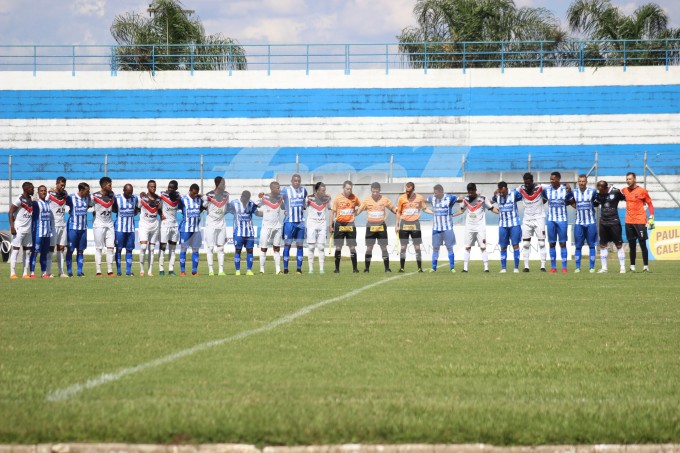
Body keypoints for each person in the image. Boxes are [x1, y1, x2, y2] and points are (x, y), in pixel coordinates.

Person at [356, 182, 397, 273]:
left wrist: (399, 210)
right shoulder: (367, 200)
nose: (375, 193)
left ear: (379, 190)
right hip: (370, 226)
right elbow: (359, 210)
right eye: (373, 191)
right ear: (371, 190)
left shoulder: (385, 199)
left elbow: (393, 209)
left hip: (381, 226)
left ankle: (387, 268)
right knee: (369, 247)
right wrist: (352, 212)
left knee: (384, 247)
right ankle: (366, 269)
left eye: (376, 192)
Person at [455, 183, 494, 273]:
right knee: (467, 247)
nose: (470, 193)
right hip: (469, 227)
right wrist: (453, 215)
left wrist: (500, 212)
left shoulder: (483, 199)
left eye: (472, 191)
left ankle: (486, 268)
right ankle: (465, 268)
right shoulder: (465, 199)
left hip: (480, 227)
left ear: (475, 190)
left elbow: (491, 208)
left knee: (483, 247)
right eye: (469, 192)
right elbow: (461, 210)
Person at [621, 172, 655, 272]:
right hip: (629, 221)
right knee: (631, 245)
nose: (628, 181)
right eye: (627, 179)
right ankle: (632, 266)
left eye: (630, 179)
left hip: (640, 221)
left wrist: (651, 216)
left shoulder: (642, 191)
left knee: (642, 243)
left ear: (635, 179)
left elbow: (650, 204)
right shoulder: (624, 190)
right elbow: (615, 194)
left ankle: (645, 266)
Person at [542, 171, 574, 273]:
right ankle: (553, 267)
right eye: (550, 179)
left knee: (563, 243)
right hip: (551, 219)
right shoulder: (546, 190)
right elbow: (543, 201)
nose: (551, 181)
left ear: (558, 179)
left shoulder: (566, 189)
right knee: (552, 243)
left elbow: (572, 202)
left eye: (553, 179)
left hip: (562, 219)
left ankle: (564, 267)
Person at [594, 180, 627, 273]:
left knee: (618, 245)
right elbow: (595, 204)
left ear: (605, 187)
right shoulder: (599, 194)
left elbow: (625, 198)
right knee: (603, 245)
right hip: (603, 222)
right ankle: (604, 268)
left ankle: (622, 267)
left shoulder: (616, 192)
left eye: (601, 189)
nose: (600, 191)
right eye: (598, 189)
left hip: (614, 222)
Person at [518, 172, 547, 272]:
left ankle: (543, 266)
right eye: (525, 183)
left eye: (529, 183)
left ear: (532, 182)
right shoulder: (521, 188)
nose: (527, 185)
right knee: (525, 244)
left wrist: (566, 185)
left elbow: (553, 187)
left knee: (542, 243)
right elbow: (510, 192)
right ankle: (526, 266)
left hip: (539, 218)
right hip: (527, 219)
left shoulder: (540, 187)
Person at [395, 182, 427, 272]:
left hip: (415, 224)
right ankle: (402, 267)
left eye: (409, 191)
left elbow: (425, 208)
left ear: (413, 189)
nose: (407, 192)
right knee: (403, 247)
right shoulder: (401, 198)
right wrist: (396, 225)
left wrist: (434, 213)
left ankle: (420, 268)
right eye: (406, 190)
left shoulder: (419, 198)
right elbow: (398, 212)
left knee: (417, 247)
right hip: (404, 224)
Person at [492, 182, 522, 273]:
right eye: (500, 191)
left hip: (514, 224)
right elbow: (492, 201)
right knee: (503, 246)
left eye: (503, 191)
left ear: (506, 188)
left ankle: (516, 268)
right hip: (502, 225)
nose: (501, 193)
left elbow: (521, 196)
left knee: (515, 245)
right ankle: (503, 268)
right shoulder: (497, 195)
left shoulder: (514, 194)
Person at [330, 180, 361, 273]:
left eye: (350, 189)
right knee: (338, 247)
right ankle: (337, 269)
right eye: (347, 189)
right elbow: (332, 212)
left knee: (352, 247)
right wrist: (331, 225)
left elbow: (362, 206)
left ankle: (355, 269)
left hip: (350, 225)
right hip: (339, 224)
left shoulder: (354, 198)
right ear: (343, 188)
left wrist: (355, 213)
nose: (349, 190)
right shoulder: (338, 198)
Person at [281, 174, 308, 274]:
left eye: (298, 181)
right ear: (291, 181)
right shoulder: (285, 190)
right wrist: (284, 208)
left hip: (300, 222)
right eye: (295, 181)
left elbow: (304, 204)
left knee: (300, 245)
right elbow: (278, 198)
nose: (297, 182)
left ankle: (299, 269)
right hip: (289, 222)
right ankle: (286, 269)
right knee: (287, 244)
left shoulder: (304, 190)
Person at [426, 184, 456, 272]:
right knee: (435, 248)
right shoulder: (432, 198)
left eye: (436, 193)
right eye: (434, 193)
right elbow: (424, 199)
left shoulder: (449, 198)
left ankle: (452, 268)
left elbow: (460, 198)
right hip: (436, 228)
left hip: (447, 228)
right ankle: (433, 268)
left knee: (449, 247)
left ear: (441, 192)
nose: (434, 195)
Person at [571, 175, 598, 273]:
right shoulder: (574, 192)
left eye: (583, 181)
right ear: (578, 182)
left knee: (591, 245)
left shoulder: (592, 192)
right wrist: (577, 207)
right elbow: (571, 201)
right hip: (579, 223)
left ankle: (592, 267)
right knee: (578, 246)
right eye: (580, 181)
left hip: (590, 222)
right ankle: (578, 267)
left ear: (586, 182)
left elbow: (597, 202)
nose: (581, 183)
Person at [203, 176, 229, 276]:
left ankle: (221, 270)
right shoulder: (209, 195)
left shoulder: (226, 195)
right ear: (218, 184)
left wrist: (220, 214)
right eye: (223, 183)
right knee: (210, 247)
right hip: (211, 224)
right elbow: (203, 206)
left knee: (221, 247)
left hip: (222, 223)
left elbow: (226, 208)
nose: (224, 185)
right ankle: (211, 270)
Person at [8, 182, 35, 279]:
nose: (33, 190)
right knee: (15, 250)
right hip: (18, 229)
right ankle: (12, 273)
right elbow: (11, 211)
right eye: (31, 188)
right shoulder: (19, 199)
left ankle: (25, 273)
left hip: (28, 229)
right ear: (26, 189)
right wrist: (12, 226)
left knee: (27, 251)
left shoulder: (31, 199)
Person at [256, 181, 284, 274]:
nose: (279, 189)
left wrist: (286, 210)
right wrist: (259, 197)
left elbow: (284, 207)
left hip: (277, 227)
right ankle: (261, 270)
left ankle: (278, 270)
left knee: (276, 248)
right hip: (266, 227)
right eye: (278, 188)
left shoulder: (280, 198)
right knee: (264, 248)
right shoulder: (264, 197)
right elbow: (256, 204)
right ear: (272, 188)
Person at [65, 182, 91, 277]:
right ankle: (69, 271)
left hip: (83, 228)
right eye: (87, 191)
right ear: (81, 190)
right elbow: (60, 198)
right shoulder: (71, 197)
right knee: (70, 250)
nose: (89, 193)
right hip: (73, 228)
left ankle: (80, 271)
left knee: (81, 250)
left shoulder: (88, 198)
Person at [229, 190, 258, 276]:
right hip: (238, 232)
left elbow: (257, 212)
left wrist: (267, 214)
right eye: (244, 199)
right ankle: (237, 270)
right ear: (241, 197)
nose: (246, 201)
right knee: (238, 250)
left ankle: (249, 270)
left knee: (250, 250)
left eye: (247, 199)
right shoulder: (234, 203)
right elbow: (226, 210)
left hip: (249, 232)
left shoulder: (251, 203)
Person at [92, 176, 116, 277]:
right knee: (99, 248)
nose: (111, 186)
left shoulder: (112, 195)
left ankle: (110, 271)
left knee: (110, 248)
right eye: (109, 185)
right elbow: (87, 204)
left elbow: (114, 207)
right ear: (103, 185)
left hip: (109, 224)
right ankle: (98, 271)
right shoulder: (95, 196)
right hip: (99, 225)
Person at [305, 182, 331, 274]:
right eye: (322, 190)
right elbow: (303, 207)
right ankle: (311, 269)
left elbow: (330, 208)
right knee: (311, 247)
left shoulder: (327, 198)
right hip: (311, 223)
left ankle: (321, 269)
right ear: (317, 190)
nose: (324, 192)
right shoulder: (309, 198)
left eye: (325, 190)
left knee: (321, 247)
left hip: (322, 224)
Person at [179, 183, 203, 276]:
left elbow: (203, 206)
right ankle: (182, 271)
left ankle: (194, 271)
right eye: (193, 193)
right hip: (185, 229)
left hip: (196, 229)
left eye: (196, 193)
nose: (195, 195)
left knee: (196, 250)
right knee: (183, 249)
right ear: (190, 190)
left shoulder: (199, 200)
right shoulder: (183, 199)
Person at [114, 184, 139, 276]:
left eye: (131, 192)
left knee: (129, 250)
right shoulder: (117, 198)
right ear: (123, 190)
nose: (130, 194)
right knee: (118, 249)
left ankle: (128, 271)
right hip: (120, 229)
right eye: (128, 192)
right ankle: (119, 271)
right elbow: (113, 208)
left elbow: (136, 209)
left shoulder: (134, 198)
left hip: (131, 229)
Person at [137, 180, 161, 277]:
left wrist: (162, 214)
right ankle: (142, 270)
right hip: (144, 225)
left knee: (151, 248)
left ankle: (150, 270)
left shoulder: (159, 199)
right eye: (151, 186)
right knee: (143, 247)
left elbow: (159, 209)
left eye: (154, 186)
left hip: (154, 225)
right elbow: (138, 208)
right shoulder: (142, 198)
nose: (153, 188)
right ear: (148, 187)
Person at [29, 185, 53, 278]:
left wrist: (52, 190)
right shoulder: (35, 203)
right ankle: (32, 272)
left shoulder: (47, 203)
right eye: (41, 191)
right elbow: (28, 202)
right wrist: (32, 199)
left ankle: (43, 272)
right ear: (38, 192)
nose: (43, 192)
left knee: (44, 253)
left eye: (45, 191)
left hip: (47, 233)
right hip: (38, 232)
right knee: (35, 252)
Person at [158, 180, 181, 276]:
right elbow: (157, 206)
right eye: (169, 187)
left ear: (176, 188)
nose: (170, 189)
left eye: (172, 188)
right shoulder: (163, 195)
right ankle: (161, 270)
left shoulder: (178, 196)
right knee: (162, 247)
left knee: (173, 249)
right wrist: (160, 214)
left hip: (174, 225)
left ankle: (171, 270)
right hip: (165, 225)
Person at [48, 176, 68, 277]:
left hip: (62, 224)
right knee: (51, 248)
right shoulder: (49, 194)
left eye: (64, 185)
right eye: (61, 185)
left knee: (61, 248)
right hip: (53, 224)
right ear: (57, 183)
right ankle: (48, 272)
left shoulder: (65, 194)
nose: (63, 187)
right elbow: (40, 199)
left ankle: (61, 272)